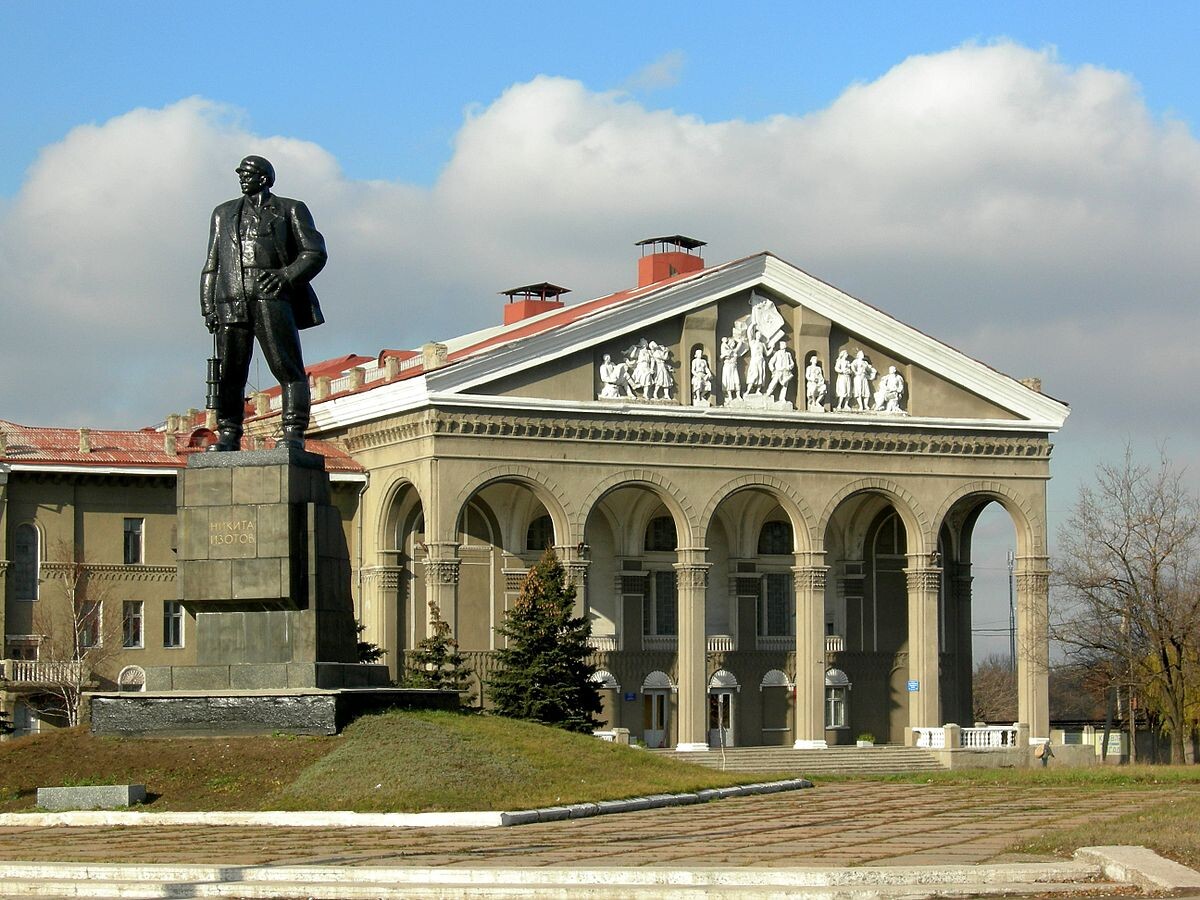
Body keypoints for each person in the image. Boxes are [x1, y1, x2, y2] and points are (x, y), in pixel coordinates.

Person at [201, 156, 327, 451]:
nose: (243, 178)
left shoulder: (290, 209)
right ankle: (228, 433)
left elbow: (314, 252)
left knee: (287, 367)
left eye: (248, 173)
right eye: (241, 174)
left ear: (265, 177)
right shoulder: (223, 213)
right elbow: (212, 264)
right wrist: (208, 306)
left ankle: (294, 431)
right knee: (230, 374)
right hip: (231, 300)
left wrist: (286, 276)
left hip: (272, 297)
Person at [745, 326, 768, 394]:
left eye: (760, 335)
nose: (759, 336)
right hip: (754, 360)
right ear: (755, 335)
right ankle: (748, 391)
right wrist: (752, 324)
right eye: (757, 335)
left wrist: (772, 347)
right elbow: (749, 333)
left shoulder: (762, 344)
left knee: (760, 375)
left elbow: (767, 353)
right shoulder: (752, 342)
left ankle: (758, 390)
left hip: (761, 361)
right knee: (754, 375)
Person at [720, 336, 742, 401]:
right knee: (729, 381)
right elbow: (721, 357)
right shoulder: (725, 349)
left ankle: (738, 395)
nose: (734, 344)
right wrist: (725, 354)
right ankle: (730, 396)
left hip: (734, 367)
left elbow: (740, 342)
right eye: (732, 343)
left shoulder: (735, 350)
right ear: (729, 343)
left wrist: (734, 338)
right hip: (728, 366)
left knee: (737, 380)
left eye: (734, 343)